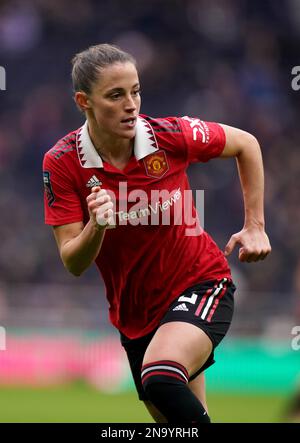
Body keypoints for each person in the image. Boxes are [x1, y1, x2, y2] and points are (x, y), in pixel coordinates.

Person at [43, 43, 271, 423]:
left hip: (200, 283)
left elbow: (246, 144)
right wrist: (97, 226)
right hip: (135, 314)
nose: (131, 104)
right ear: (84, 101)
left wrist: (255, 226)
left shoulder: (170, 135)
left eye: (135, 91)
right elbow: (73, 261)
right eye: (115, 95)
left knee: (161, 377)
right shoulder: (62, 163)